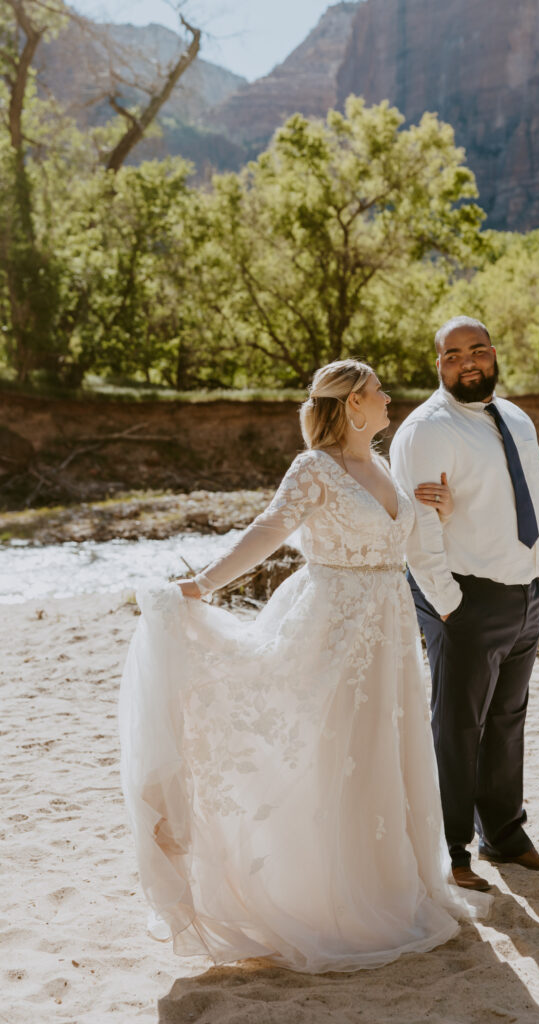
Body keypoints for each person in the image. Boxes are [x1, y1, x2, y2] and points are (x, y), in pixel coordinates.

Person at [119, 359, 490, 975]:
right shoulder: (314, 469)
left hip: (390, 630)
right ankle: (328, 898)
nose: (389, 397)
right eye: (378, 392)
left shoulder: (385, 466)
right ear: (351, 405)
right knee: (332, 753)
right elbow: (270, 529)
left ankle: (391, 886)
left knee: (383, 751)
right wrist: (205, 583)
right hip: (334, 626)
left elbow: (399, 539)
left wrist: (438, 516)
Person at [390, 317, 539, 893]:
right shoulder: (426, 430)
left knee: (506, 720)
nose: (466, 362)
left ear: (493, 354)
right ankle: (452, 850)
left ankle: (506, 837)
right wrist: (447, 603)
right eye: (451, 354)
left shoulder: (516, 417)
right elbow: (419, 525)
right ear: (437, 363)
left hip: (524, 592)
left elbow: (530, 498)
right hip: (464, 597)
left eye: (476, 350)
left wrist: (537, 575)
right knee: (457, 726)